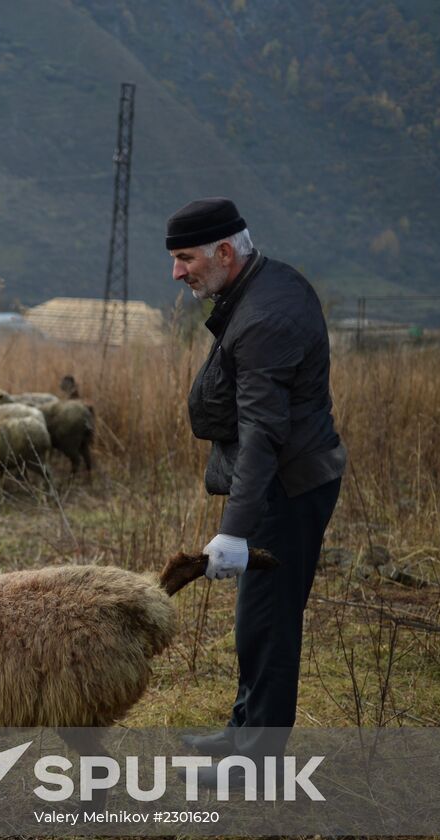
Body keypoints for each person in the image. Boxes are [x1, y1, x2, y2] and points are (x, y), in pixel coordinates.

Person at [165, 197, 346, 788]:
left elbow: (263, 433)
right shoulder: (265, 286)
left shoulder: (265, 317)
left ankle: (256, 759)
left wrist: (234, 530)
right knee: (259, 618)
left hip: (284, 489)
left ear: (224, 252)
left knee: (267, 622)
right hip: (286, 479)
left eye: (185, 258)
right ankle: (243, 730)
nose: (177, 272)